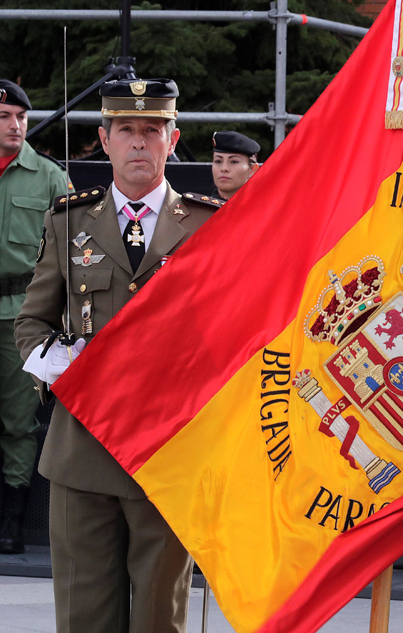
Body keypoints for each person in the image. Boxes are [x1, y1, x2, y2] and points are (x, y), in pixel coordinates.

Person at [15, 78, 218, 632]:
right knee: (85, 617)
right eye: (125, 129)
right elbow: (31, 323)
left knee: (160, 618)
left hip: (169, 454)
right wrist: (70, 370)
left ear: (172, 140)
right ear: (103, 139)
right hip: (82, 454)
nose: (138, 142)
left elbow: (233, 333)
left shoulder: (210, 226)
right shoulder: (69, 222)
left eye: (151, 131)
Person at [0, 79, 70, 555]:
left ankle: (10, 521)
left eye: (21, 117)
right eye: (5, 118)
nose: (15, 125)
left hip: (18, 311)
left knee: (18, 422)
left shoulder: (48, 177)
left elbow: (70, 255)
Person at [210, 130, 260, 200]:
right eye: (218, 161)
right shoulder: (197, 209)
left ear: (252, 169)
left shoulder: (265, 209)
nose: (224, 168)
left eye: (234, 162)